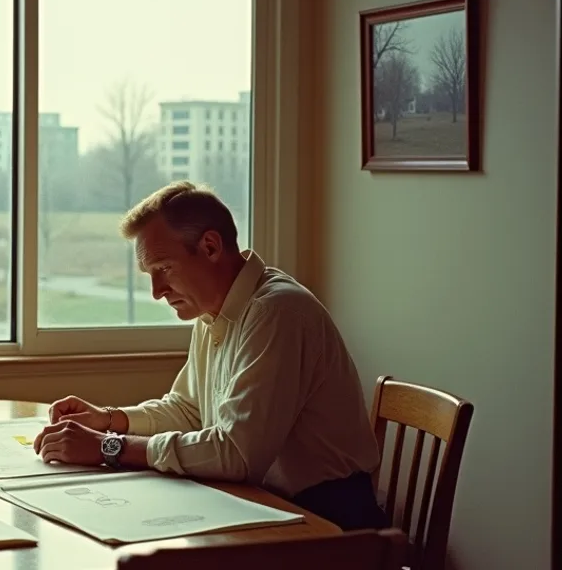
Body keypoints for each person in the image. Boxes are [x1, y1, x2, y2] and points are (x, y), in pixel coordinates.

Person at [32, 181, 387, 531]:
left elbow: (236, 455)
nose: (157, 292)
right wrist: (109, 420)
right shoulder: (214, 311)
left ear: (211, 246)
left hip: (330, 523)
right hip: (265, 504)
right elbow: (189, 410)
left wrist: (109, 447)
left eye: (164, 268)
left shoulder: (276, 312)